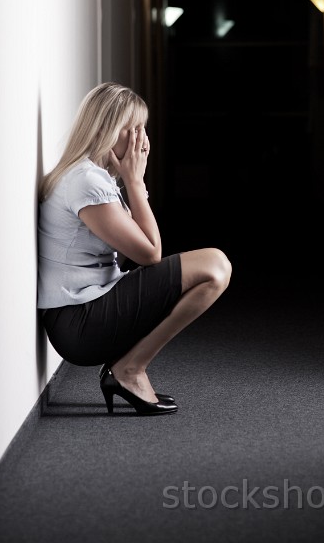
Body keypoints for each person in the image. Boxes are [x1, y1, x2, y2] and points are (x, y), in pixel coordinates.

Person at [38, 82, 231, 416]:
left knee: (215, 266)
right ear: (108, 130)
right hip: (78, 322)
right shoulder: (86, 182)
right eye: (135, 128)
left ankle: (127, 367)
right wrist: (137, 184)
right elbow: (150, 253)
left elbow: (136, 250)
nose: (144, 140)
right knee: (214, 265)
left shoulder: (95, 177)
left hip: (85, 311)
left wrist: (129, 184)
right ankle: (129, 370)